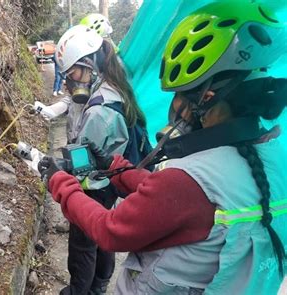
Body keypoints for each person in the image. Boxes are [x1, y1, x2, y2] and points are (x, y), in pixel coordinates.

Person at [39, 1, 287, 294]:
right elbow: (179, 201)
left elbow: (110, 230)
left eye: (180, 94)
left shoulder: (186, 181)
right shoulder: (276, 158)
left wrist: (59, 183)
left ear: (206, 97)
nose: (176, 106)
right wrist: (119, 169)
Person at [48, 24, 148, 295]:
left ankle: (80, 290)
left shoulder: (99, 112)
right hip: (112, 184)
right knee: (103, 235)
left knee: (83, 243)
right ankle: (99, 286)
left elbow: (84, 162)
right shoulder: (114, 88)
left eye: (72, 74)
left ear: (90, 64)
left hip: (95, 186)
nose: (70, 82)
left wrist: (57, 171)